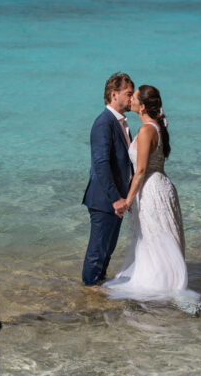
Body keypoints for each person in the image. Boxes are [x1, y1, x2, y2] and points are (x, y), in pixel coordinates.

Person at [103, 85, 201, 314]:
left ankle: (162, 287)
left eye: (134, 98)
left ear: (143, 106)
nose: (131, 101)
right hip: (159, 185)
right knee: (156, 237)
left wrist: (127, 200)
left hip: (151, 189)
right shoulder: (155, 127)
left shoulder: (148, 130)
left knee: (155, 238)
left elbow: (141, 171)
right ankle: (165, 284)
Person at [81, 72, 135, 286]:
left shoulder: (121, 122)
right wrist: (115, 198)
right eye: (128, 94)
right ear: (114, 95)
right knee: (97, 254)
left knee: (107, 252)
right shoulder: (104, 123)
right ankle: (88, 294)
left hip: (116, 199)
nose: (132, 98)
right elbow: (101, 163)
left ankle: (97, 293)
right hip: (105, 200)